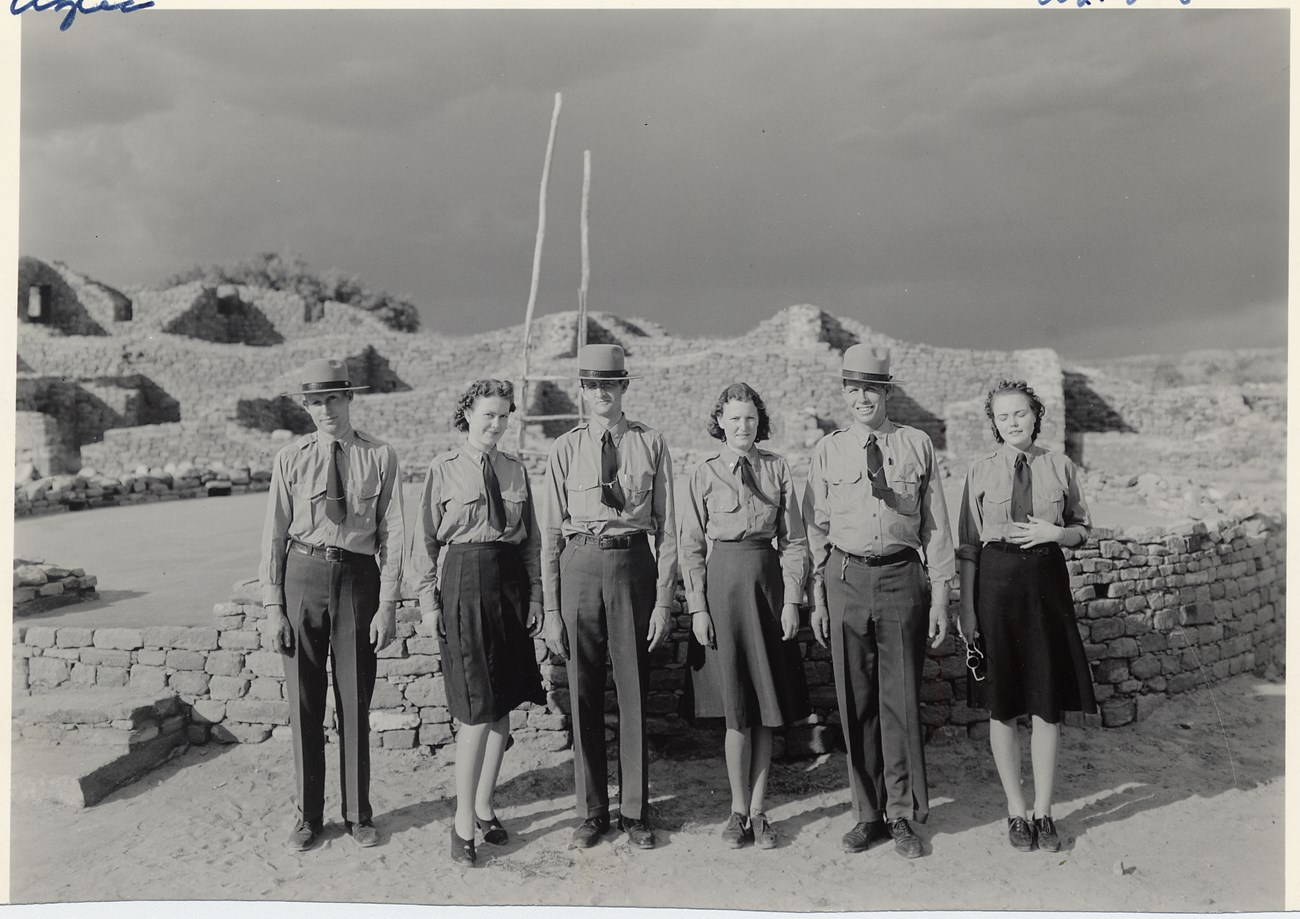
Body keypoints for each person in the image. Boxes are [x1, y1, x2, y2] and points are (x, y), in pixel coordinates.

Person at [802, 345, 955, 860]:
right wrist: (819, 597)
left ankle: (903, 813)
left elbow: (934, 526)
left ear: (886, 392)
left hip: (900, 577)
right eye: (853, 389)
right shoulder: (829, 450)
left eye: (871, 388)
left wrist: (941, 595)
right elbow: (814, 530)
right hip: (845, 578)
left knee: (901, 700)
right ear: (844, 393)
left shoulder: (916, 445)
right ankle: (868, 814)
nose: (861, 398)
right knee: (856, 699)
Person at [259, 357, 404, 852]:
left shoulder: (380, 456)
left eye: (333, 399)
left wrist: (388, 605)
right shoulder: (290, 459)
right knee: (303, 703)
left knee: (354, 700)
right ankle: (308, 817)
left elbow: (394, 532)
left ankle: (358, 814)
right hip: (302, 575)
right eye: (315, 402)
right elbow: (274, 534)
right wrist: (274, 606)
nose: (325, 410)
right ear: (306, 407)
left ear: (349, 400)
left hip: (359, 580)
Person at [541, 343, 678, 851]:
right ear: (583, 391)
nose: (602, 392)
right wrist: (552, 609)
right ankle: (591, 810)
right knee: (582, 691)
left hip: (631, 565)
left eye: (611, 384)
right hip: (580, 564)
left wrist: (663, 599)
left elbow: (667, 527)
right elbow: (550, 533)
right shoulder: (564, 448)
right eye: (593, 385)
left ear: (624, 387)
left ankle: (636, 811)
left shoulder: (650, 444)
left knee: (634, 690)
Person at [410, 379, 546, 866]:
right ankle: (462, 820)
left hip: (509, 585)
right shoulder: (443, 470)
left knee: (503, 700)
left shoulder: (515, 469)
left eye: (505, 416)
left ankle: (486, 806)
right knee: (474, 709)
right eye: (489, 414)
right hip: (464, 582)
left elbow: (529, 541)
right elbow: (424, 543)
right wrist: (428, 604)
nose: (497, 424)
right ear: (467, 413)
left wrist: (534, 597)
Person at [956, 379, 1096, 854]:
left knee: (1045, 703)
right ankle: (1016, 811)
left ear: (1036, 414)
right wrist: (967, 608)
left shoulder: (1060, 465)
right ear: (993, 424)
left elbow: (1083, 530)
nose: (1012, 422)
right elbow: (968, 548)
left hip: (1045, 588)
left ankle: (1044, 811)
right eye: (1002, 416)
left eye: (1020, 413)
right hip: (996, 588)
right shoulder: (978, 471)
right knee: (1003, 703)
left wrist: (1057, 533)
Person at [679, 382, 810, 850]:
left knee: (766, 708)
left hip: (767, 590)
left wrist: (792, 599)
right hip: (722, 592)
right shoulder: (704, 473)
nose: (743, 427)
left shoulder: (777, 469)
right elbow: (690, 546)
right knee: (736, 709)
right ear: (720, 423)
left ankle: (760, 811)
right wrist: (698, 607)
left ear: (760, 422)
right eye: (734, 419)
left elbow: (794, 541)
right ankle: (737, 811)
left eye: (750, 419)